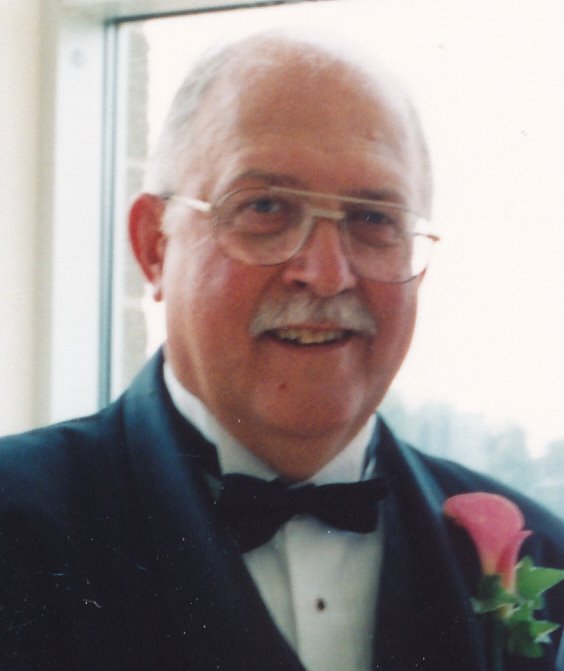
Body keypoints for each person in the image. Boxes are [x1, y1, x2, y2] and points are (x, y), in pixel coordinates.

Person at [0, 29, 562, 671]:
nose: (325, 274)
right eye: (265, 207)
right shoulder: (14, 527)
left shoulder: (540, 556)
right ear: (154, 246)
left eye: (373, 219)